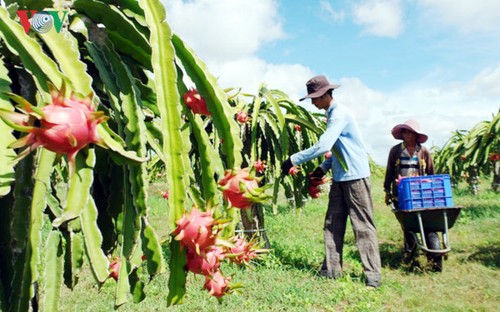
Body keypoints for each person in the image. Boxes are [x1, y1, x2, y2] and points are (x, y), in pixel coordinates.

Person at [281, 75, 381, 288]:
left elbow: (324, 145)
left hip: (355, 177)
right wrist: (322, 169)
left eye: (315, 98)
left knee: (362, 226)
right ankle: (331, 270)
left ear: (326, 94)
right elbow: (338, 151)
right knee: (332, 224)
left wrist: (292, 159)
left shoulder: (340, 114)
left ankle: (373, 275)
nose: (313, 103)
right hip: (340, 177)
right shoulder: (332, 115)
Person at [383, 120, 437, 261]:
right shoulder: (396, 151)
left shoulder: (423, 151)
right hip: (402, 193)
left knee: (425, 220)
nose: (407, 134)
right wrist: (387, 191)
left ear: (416, 135)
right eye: (405, 132)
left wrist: (433, 189)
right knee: (407, 223)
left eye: (410, 132)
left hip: (421, 192)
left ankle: (430, 247)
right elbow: (389, 171)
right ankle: (410, 251)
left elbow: (431, 172)